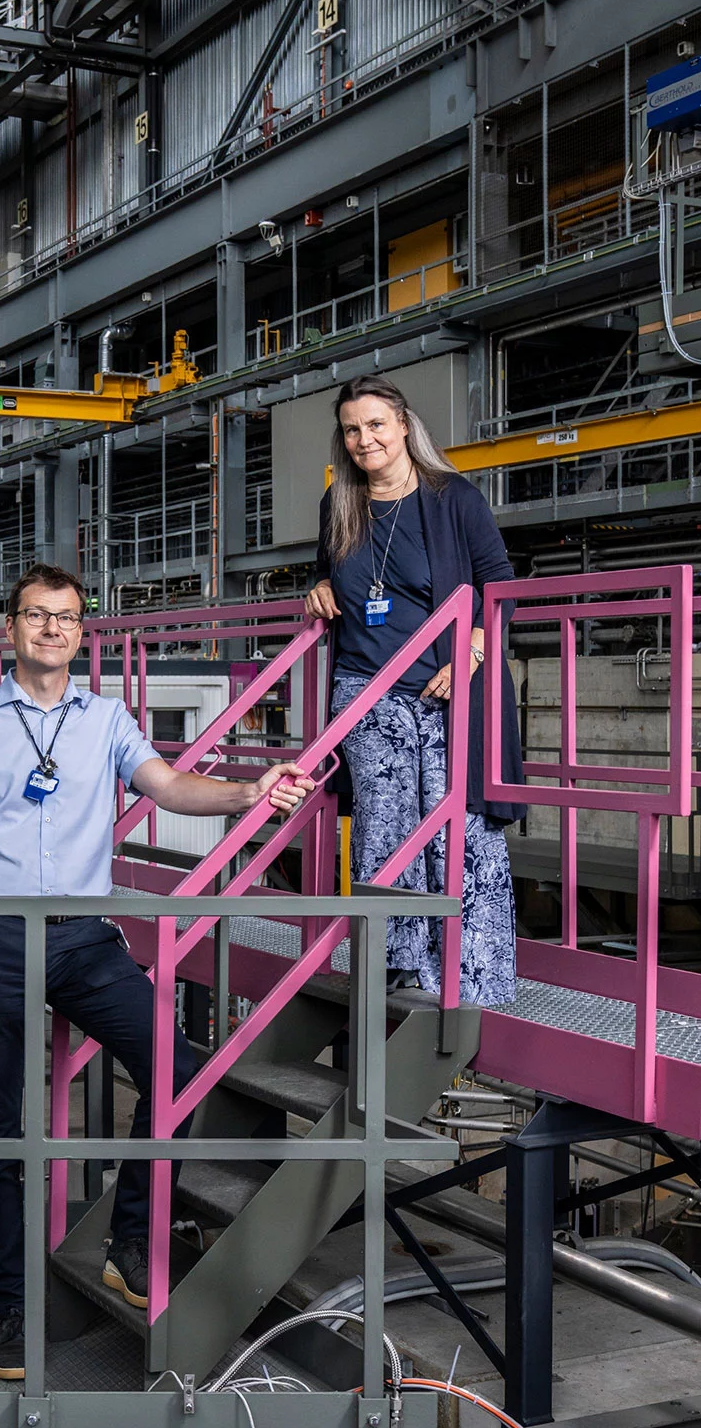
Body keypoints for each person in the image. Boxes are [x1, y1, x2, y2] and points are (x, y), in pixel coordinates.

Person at [0, 562, 314, 1381]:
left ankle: (127, 1238)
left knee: (175, 1066)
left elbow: (168, 786)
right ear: (10, 628)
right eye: (36, 615)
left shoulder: (105, 719)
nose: (51, 629)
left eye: (65, 617)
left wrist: (247, 794)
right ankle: (9, 1310)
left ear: (80, 633)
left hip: (82, 938)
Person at [304, 375, 526, 1007]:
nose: (364, 439)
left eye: (376, 424)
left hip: (447, 690)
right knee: (383, 825)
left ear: (403, 424)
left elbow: (498, 586)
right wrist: (318, 585)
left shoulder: (454, 498)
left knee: (461, 830)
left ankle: (473, 972)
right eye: (352, 429)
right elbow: (328, 570)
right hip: (365, 688)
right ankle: (392, 961)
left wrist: (472, 654)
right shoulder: (339, 502)